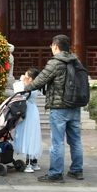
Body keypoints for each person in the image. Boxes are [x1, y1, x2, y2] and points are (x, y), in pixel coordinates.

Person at [22, 34, 85, 182]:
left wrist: (26, 88)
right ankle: (77, 170)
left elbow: (40, 80)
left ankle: (56, 173)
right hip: (75, 106)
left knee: (57, 142)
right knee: (76, 141)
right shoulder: (77, 61)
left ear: (55, 46)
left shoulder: (55, 62)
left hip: (59, 107)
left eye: (51, 45)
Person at [12, 68, 43, 173]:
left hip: (29, 112)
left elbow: (19, 92)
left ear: (30, 78)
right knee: (31, 135)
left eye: (25, 76)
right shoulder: (34, 86)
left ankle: (29, 163)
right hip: (31, 111)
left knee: (29, 136)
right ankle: (33, 162)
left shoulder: (31, 87)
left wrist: (21, 81)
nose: (23, 77)